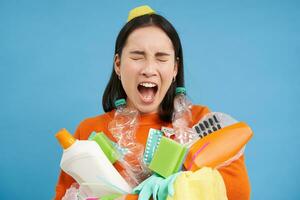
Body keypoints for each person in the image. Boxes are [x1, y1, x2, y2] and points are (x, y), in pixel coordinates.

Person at [54, 5, 250, 200]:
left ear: (175, 68)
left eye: (161, 58)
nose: (149, 69)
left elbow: (237, 194)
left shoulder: (200, 122)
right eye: (137, 57)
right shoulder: (89, 132)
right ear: (118, 65)